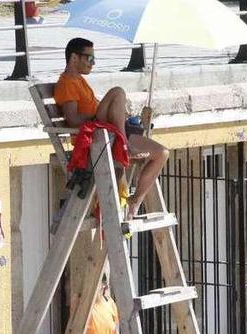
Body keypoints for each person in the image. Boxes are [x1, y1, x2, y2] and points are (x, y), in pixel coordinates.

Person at [55, 37, 169, 220]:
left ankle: (135, 201)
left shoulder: (80, 81)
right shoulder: (67, 83)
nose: (93, 63)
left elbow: (92, 107)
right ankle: (125, 145)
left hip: (109, 131)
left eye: (94, 59)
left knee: (161, 153)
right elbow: (73, 119)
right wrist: (101, 116)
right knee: (117, 91)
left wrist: (122, 116)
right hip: (96, 135)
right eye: (89, 59)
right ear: (74, 58)